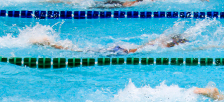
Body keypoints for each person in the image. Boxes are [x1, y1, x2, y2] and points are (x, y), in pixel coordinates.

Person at [31, 34, 189, 55]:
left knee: (80, 50)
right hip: (120, 52)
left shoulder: (157, 43)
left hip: (120, 48)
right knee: (79, 51)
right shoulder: (160, 47)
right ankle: (49, 43)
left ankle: (50, 43)